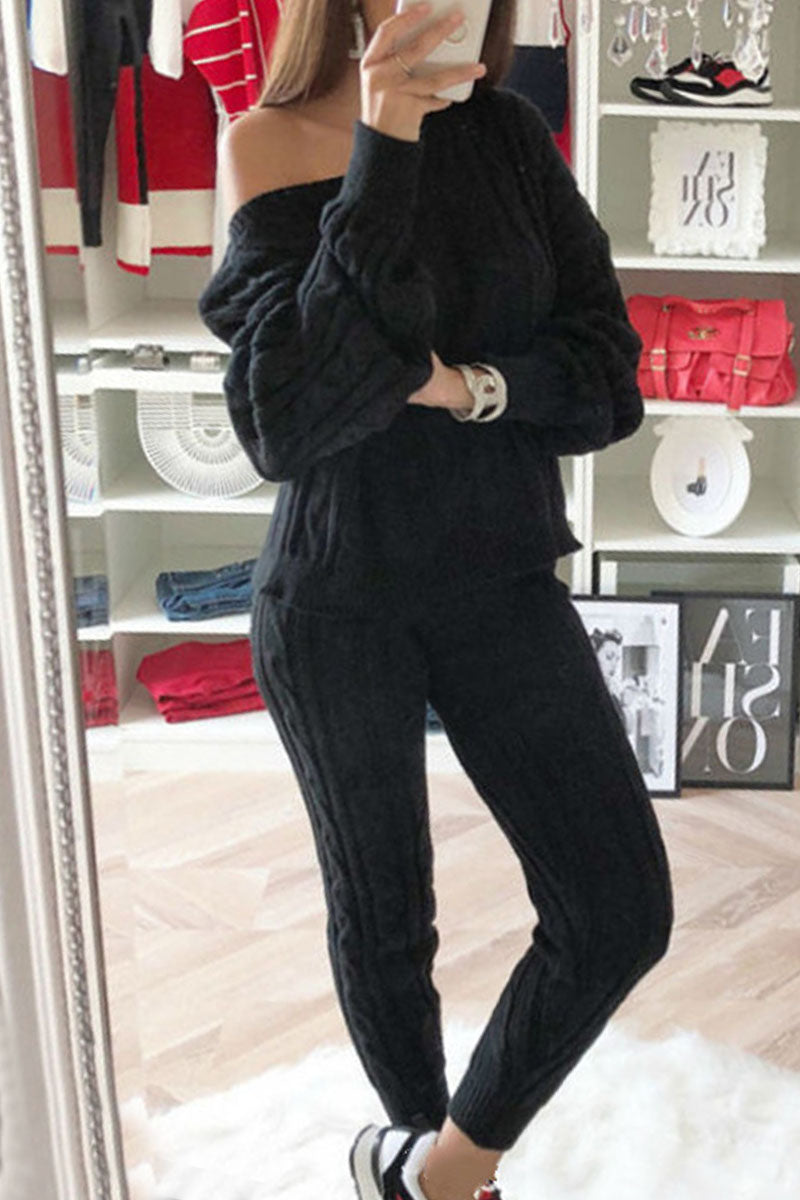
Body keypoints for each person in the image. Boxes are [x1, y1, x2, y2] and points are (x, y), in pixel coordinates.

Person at [197, 2, 675, 1198]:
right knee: (384, 920)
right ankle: (417, 1154)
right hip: (333, 600)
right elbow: (286, 419)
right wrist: (382, 146)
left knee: (617, 909)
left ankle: (441, 1169)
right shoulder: (262, 142)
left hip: (501, 579)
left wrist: (460, 387)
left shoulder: (509, 138)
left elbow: (605, 379)